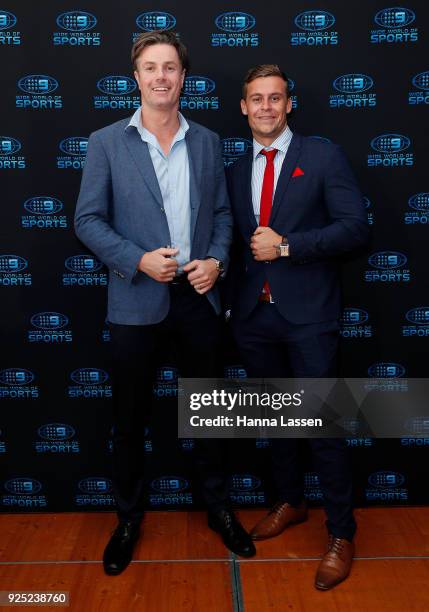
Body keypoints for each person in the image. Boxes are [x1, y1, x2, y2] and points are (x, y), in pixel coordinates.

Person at [75, 31, 255, 576]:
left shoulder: (205, 141)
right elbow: (86, 220)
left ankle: (218, 508)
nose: (161, 76)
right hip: (136, 300)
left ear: (183, 77)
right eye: (150, 67)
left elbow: (223, 215)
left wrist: (217, 260)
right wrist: (137, 259)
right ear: (137, 78)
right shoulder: (106, 142)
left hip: (197, 299)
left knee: (209, 412)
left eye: (170, 67)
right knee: (130, 421)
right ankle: (128, 519)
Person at [225, 64, 369, 590]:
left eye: (275, 98)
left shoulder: (321, 156)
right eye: (256, 99)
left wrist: (288, 246)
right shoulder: (236, 168)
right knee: (277, 422)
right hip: (255, 318)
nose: (265, 107)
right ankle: (290, 501)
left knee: (323, 427)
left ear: (290, 104)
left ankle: (341, 533)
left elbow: (356, 228)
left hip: (309, 316)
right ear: (244, 107)